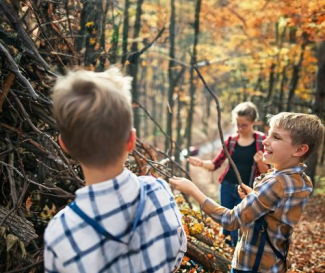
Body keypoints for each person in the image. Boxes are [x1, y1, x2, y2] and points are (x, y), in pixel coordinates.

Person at [44, 68, 186, 273]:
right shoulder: (159, 193)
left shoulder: (61, 233)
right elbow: (177, 255)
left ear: (64, 145)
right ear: (131, 140)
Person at [170, 112, 324, 273]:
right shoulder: (302, 180)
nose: (265, 141)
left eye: (276, 137)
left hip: (251, 266)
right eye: (268, 134)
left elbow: (231, 220)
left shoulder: (275, 183)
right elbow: (276, 213)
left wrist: (192, 190)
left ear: (299, 150)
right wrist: (254, 196)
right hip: (274, 264)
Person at [188, 102, 269, 246]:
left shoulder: (261, 140)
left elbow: (266, 174)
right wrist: (200, 163)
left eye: (244, 125)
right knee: (225, 223)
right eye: (237, 124)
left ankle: (235, 255)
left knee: (238, 226)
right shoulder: (231, 141)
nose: (239, 128)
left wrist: (259, 162)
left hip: (246, 190)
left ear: (253, 122)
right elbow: (215, 163)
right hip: (226, 186)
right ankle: (225, 251)